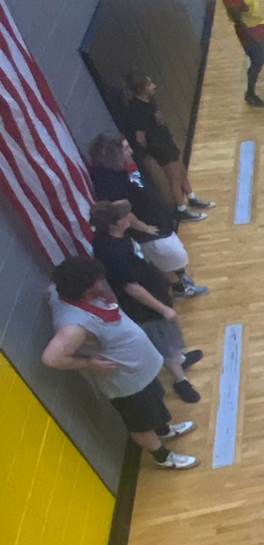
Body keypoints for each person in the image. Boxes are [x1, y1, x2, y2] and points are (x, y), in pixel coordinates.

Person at [42, 256, 198, 470]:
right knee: (141, 424)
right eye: (97, 280)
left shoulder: (63, 292)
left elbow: (50, 290)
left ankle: (164, 430)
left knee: (155, 403)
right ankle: (162, 457)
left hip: (141, 369)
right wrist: (88, 362)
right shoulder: (73, 326)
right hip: (126, 383)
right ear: (86, 288)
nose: (102, 281)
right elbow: (51, 358)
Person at [91, 202, 203, 403]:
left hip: (154, 291)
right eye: (124, 217)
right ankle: (180, 381)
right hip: (144, 307)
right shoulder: (113, 253)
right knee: (163, 340)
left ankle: (180, 359)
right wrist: (162, 309)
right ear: (113, 224)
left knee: (168, 334)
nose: (128, 218)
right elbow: (132, 288)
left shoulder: (112, 237)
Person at [86, 131, 208, 300]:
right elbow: (122, 210)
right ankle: (179, 288)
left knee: (173, 255)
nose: (131, 151)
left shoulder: (125, 164)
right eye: (126, 148)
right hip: (147, 227)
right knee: (168, 256)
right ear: (113, 153)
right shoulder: (107, 178)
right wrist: (145, 228)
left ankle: (180, 278)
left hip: (157, 217)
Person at [122, 72, 214, 222]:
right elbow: (140, 137)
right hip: (160, 148)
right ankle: (181, 210)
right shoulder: (137, 109)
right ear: (141, 88)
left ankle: (192, 198)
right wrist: (153, 150)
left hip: (167, 142)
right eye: (149, 84)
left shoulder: (149, 101)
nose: (154, 86)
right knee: (174, 178)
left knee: (182, 171)